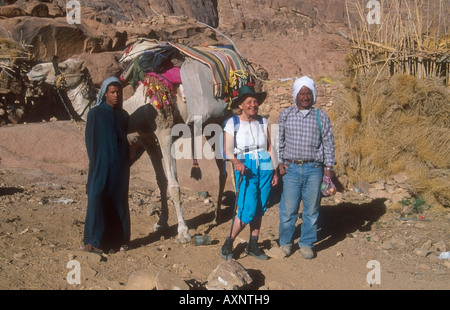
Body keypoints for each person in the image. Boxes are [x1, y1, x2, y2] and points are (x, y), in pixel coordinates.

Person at [277, 76, 336, 259]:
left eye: (308, 93)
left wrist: (328, 168)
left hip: (314, 169)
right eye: (301, 93)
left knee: (311, 210)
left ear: (313, 95)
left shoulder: (320, 116)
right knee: (288, 209)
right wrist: (279, 162)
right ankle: (285, 243)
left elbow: (328, 143)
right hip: (291, 170)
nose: (305, 97)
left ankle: (306, 244)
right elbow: (279, 140)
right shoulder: (286, 115)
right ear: (295, 95)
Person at [221, 85, 279, 260]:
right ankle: (228, 242)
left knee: (260, 207)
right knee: (248, 208)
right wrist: (236, 162)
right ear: (241, 105)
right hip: (246, 167)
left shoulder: (263, 121)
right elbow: (227, 149)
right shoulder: (233, 123)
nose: (253, 104)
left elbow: (269, 147)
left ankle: (253, 244)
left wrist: (275, 170)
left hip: (265, 165)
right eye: (249, 102)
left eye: (255, 101)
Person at [80, 76, 131, 253]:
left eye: (118, 92)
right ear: (105, 94)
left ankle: (118, 241)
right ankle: (93, 241)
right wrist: (95, 164)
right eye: (112, 92)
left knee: (118, 201)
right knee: (96, 197)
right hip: (100, 163)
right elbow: (90, 141)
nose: (116, 95)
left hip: (120, 167)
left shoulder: (124, 115)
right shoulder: (95, 114)